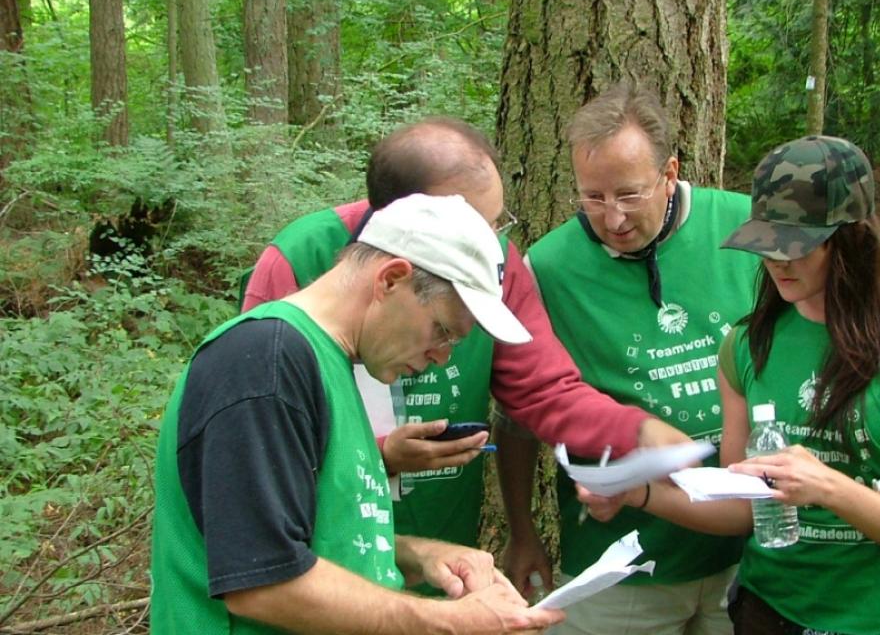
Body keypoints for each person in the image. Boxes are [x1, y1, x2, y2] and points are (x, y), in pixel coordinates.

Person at [240, 117, 689, 597]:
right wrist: (380, 455)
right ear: (404, 219)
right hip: (314, 564)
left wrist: (633, 432)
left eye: (498, 223)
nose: (492, 241)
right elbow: (262, 448)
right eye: (478, 224)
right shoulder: (299, 260)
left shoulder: (495, 263)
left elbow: (541, 386)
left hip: (441, 543)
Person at [580, 135, 880, 634]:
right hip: (774, 611)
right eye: (767, 246)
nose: (778, 263)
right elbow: (745, 506)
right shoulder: (748, 346)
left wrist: (828, 488)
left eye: (797, 248)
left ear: (851, 239)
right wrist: (636, 494)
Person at [150, 194, 563, 634]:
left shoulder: (329, 364)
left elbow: (321, 538)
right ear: (391, 279)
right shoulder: (263, 363)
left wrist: (420, 554)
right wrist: (451, 621)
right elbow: (262, 581)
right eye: (441, 330)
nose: (442, 357)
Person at [522, 81, 759, 634]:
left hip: (745, 556)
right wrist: (522, 530)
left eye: (630, 195)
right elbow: (520, 411)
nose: (613, 217)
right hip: (621, 566)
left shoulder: (742, 229)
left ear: (670, 173)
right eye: (593, 197)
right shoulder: (549, 268)